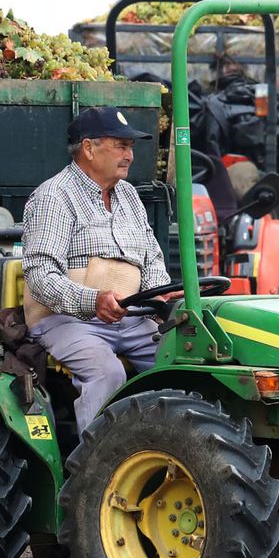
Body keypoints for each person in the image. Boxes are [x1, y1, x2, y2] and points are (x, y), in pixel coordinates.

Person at [22, 107, 170, 431]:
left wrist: (162, 301)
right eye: (120, 145)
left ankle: (167, 450)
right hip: (67, 320)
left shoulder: (129, 196)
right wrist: (93, 301)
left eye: (130, 147)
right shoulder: (54, 197)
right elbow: (41, 276)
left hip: (132, 319)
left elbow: (152, 258)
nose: (130, 155)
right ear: (89, 148)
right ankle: (97, 470)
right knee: (107, 371)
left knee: (181, 359)